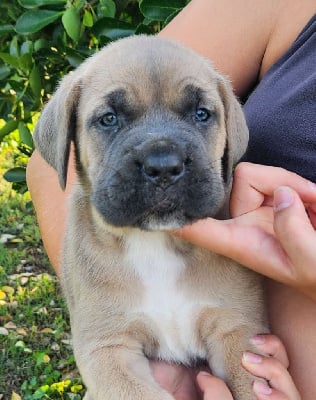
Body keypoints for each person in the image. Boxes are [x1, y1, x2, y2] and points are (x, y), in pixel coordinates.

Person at [26, 0, 316, 398]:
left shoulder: (228, 257)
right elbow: (103, 346)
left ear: (230, 128)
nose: (163, 160)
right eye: (110, 119)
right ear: (68, 138)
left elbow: (238, 336)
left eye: (200, 115)